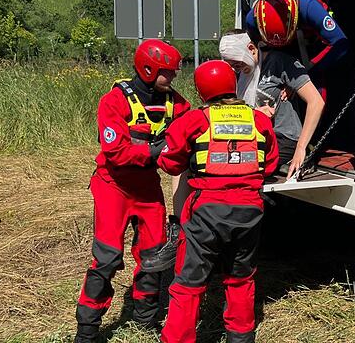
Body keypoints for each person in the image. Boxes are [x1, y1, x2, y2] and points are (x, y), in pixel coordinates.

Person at [75, 40, 191, 343]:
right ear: (149, 69)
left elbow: (191, 131)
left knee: (154, 255)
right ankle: (87, 330)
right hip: (113, 185)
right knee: (107, 258)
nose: (175, 77)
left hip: (147, 186)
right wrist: (159, 150)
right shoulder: (114, 101)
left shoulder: (175, 103)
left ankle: (145, 320)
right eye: (169, 72)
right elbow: (116, 153)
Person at [157, 60, 278, 343]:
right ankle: (241, 337)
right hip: (249, 212)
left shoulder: (194, 120)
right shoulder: (258, 120)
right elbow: (269, 164)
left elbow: (171, 163)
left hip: (206, 213)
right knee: (240, 279)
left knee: (188, 284)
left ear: (201, 92)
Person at [220, 30, 324, 179]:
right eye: (232, 65)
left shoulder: (279, 63)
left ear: (251, 48)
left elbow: (316, 102)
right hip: (253, 136)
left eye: (237, 63)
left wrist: (301, 148)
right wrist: (254, 115)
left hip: (283, 138)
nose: (236, 68)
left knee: (242, 161)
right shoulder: (239, 73)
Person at [246, 0, 348, 101]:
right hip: (280, 45)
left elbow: (341, 43)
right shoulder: (253, 18)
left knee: (316, 85)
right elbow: (255, 49)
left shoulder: (308, 6)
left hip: (310, 40)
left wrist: (306, 73)